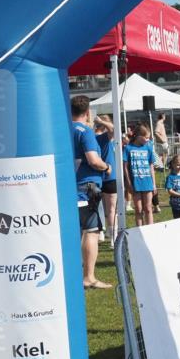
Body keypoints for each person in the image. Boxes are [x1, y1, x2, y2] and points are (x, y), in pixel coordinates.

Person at [71, 95, 113, 289]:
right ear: (87, 112)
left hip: (69, 186)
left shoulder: (63, 129)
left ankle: (74, 274)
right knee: (91, 231)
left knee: (75, 231)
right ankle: (88, 277)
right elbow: (93, 160)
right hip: (86, 188)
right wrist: (106, 167)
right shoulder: (85, 131)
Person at [124, 123, 157, 226]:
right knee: (138, 209)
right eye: (146, 137)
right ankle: (139, 230)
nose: (148, 140)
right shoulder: (128, 148)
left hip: (147, 182)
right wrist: (129, 183)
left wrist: (154, 184)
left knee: (148, 208)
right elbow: (125, 167)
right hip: (135, 183)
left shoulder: (148, 148)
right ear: (138, 136)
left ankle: (150, 229)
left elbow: (151, 166)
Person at [94, 114, 118, 242]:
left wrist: (100, 122)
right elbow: (113, 129)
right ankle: (110, 234)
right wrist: (102, 122)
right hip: (104, 176)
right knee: (108, 208)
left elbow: (113, 129)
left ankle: (107, 233)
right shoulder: (100, 137)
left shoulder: (96, 137)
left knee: (104, 208)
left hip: (103, 177)